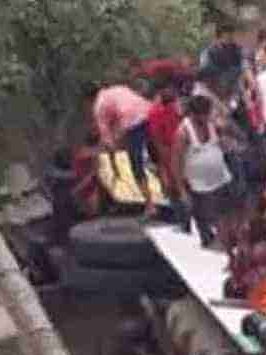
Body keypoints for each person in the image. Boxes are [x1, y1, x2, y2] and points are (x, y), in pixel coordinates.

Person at [170, 96, 238, 249]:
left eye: (208, 113)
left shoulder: (211, 124)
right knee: (206, 218)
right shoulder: (183, 132)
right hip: (200, 185)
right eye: (203, 114)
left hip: (221, 177)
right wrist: (181, 191)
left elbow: (222, 142)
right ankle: (208, 242)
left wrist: (225, 141)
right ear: (193, 114)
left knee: (227, 212)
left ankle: (227, 240)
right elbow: (175, 163)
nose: (207, 117)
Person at [92, 82, 158, 216]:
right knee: (160, 156)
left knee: (136, 164)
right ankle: (174, 194)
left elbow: (107, 140)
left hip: (133, 122)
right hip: (151, 112)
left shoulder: (99, 105)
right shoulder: (119, 88)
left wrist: (113, 165)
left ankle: (150, 206)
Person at [146, 87, 183, 199]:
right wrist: (161, 149)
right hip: (165, 144)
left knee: (168, 168)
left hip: (170, 143)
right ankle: (170, 192)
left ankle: (171, 192)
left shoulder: (158, 112)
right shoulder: (158, 113)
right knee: (167, 168)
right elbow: (156, 134)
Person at [198, 23, 245, 96]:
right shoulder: (208, 52)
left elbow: (243, 65)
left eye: (231, 37)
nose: (230, 40)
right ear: (218, 38)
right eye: (227, 38)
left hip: (235, 87)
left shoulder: (236, 49)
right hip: (216, 88)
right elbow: (204, 69)